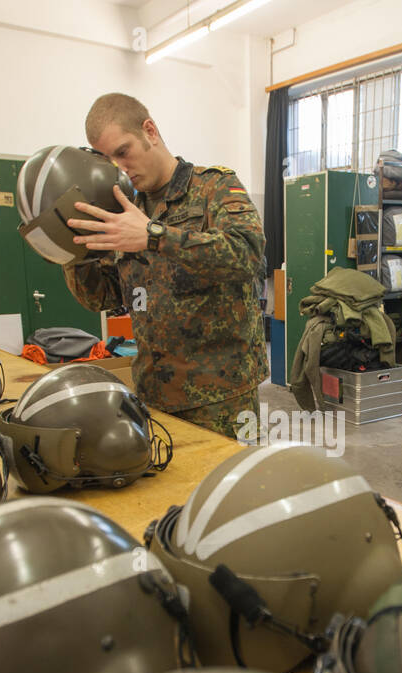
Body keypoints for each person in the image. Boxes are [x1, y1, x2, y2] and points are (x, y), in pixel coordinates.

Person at [62, 93, 268, 440]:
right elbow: (102, 297)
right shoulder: (124, 210)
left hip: (223, 398)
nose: (120, 167)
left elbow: (246, 253)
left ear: (150, 131)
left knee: (228, 492)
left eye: (123, 151)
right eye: (108, 160)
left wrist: (154, 235)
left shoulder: (213, 187)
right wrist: (73, 251)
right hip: (154, 395)